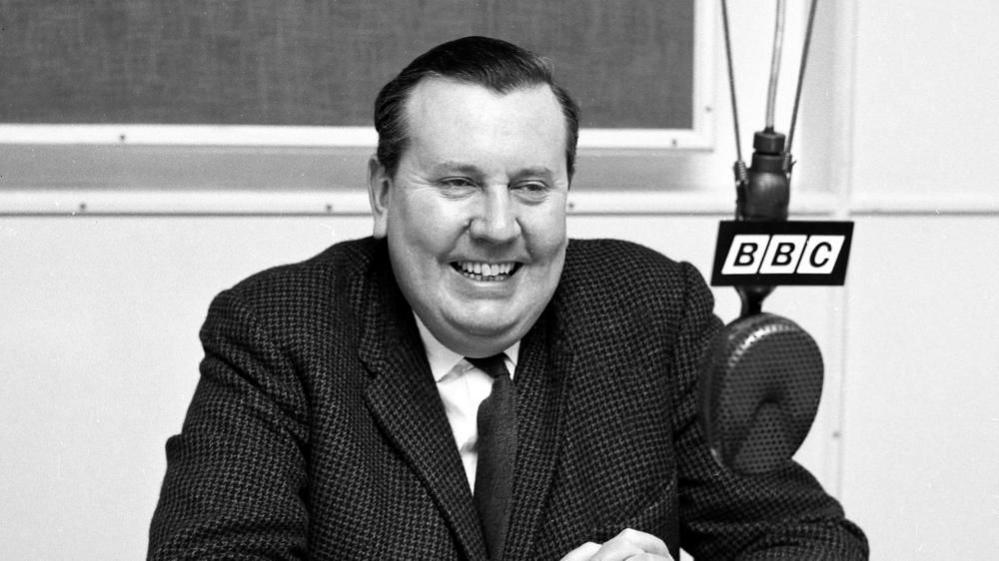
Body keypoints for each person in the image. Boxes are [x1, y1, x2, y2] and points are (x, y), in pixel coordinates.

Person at [148, 36, 868, 561]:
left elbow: (807, 540)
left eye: (529, 187)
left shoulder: (652, 310)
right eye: (457, 182)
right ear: (380, 192)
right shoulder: (278, 330)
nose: (497, 227)